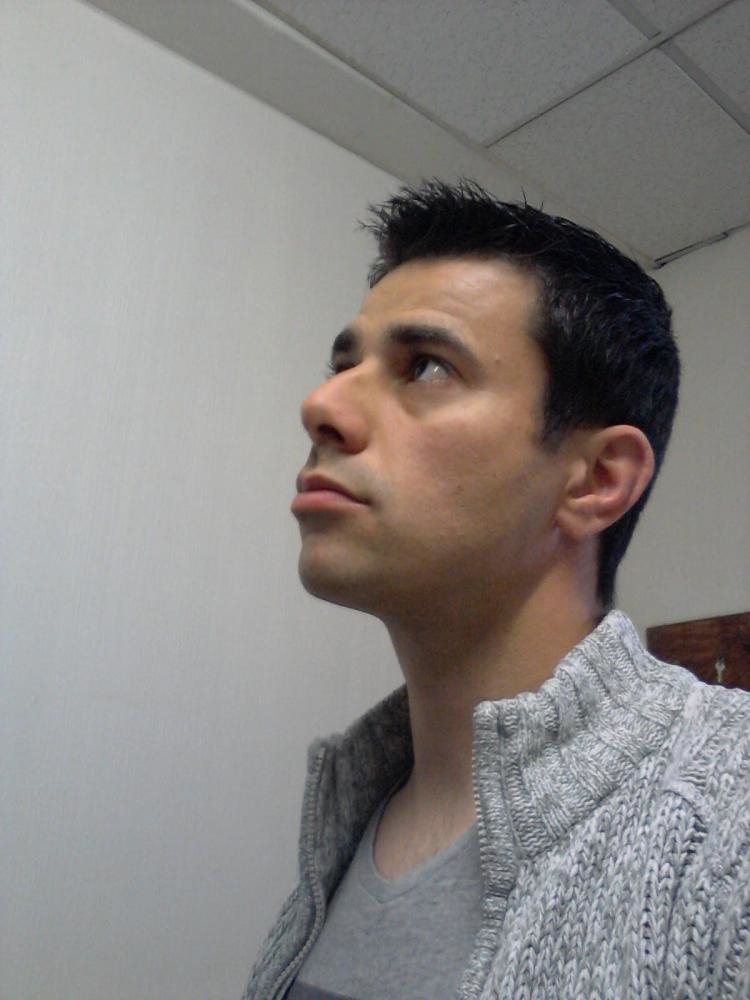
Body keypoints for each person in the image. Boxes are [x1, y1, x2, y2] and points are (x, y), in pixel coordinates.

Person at [244, 179, 750, 1000]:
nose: (321, 405)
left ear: (596, 479)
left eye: (426, 367)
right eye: (343, 365)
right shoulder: (347, 815)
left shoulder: (730, 817)